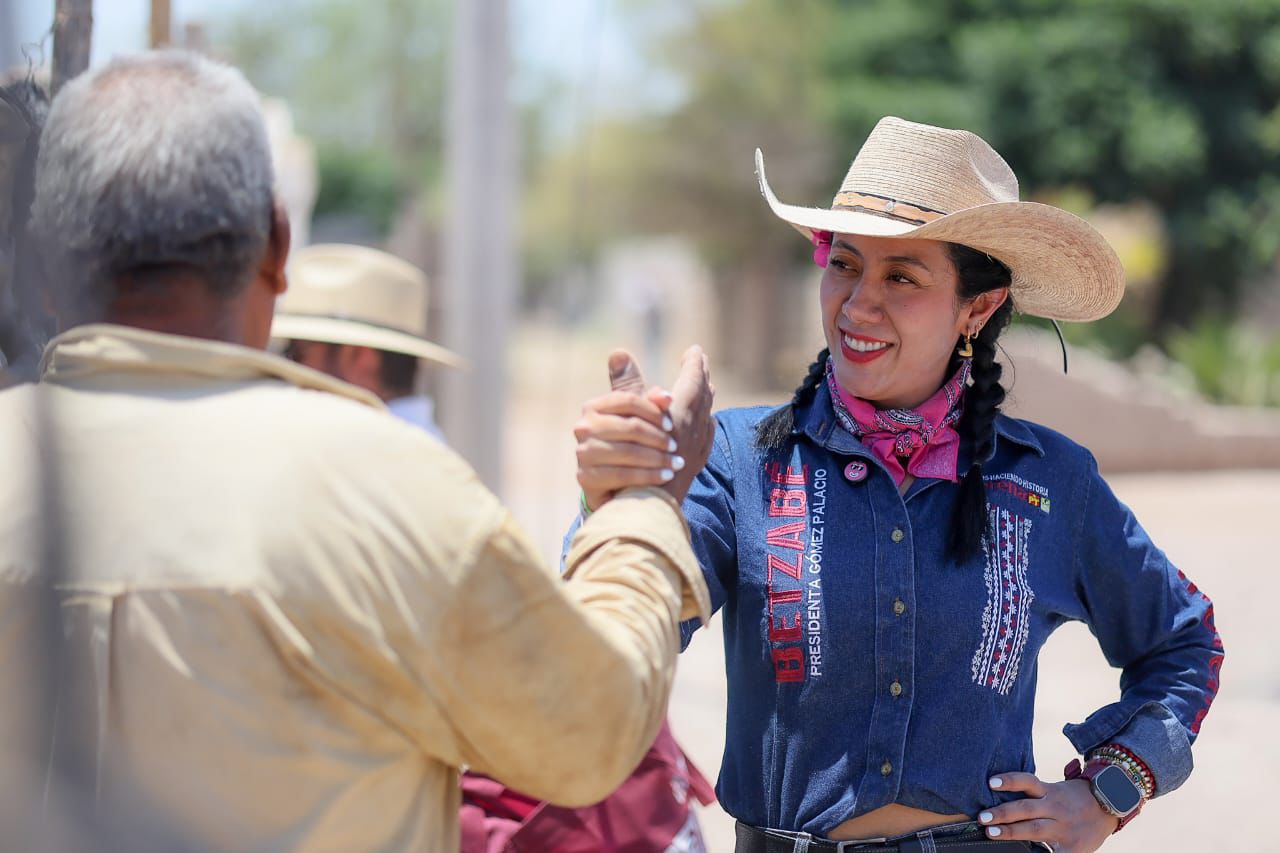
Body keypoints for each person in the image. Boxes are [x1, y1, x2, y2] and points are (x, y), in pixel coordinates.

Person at [0, 49, 716, 851]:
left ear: (44, 274)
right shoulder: (384, 491)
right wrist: (646, 506)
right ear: (277, 243)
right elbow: (591, 730)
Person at [573, 117, 1224, 853]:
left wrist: (1106, 791)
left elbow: (1185, 644)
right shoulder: (738, 458)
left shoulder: (1048, 482)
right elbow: (614, 633)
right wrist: (622, 501)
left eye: (902, 277)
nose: (856, 305)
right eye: (844, 264)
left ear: (977, 307)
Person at [279, 244, 716, 851]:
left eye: (290, 355)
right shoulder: (418, 480)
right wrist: (636, 499)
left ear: (353, 359)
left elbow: (586, 708)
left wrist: (640, 501)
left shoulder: (379, 490)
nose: (273, 373)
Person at [274, 242, 460, 441]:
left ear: (360, 357)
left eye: (296, 354)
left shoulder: (363, 452)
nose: (288, 372)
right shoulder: (416, 445)